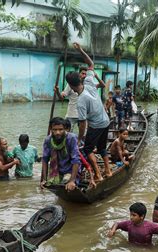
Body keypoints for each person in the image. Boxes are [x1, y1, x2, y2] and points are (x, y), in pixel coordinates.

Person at [65, 42, 112, 181]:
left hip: (97, 125)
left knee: (87, 149)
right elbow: (91, 64)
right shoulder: (90, 82)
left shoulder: (80, 101)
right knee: (102, 148)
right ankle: (108, 171)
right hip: (106, 121)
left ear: (71, 86)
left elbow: (82, 124)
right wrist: (80, 50)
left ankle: (98, 174)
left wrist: (79, 138)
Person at [40, 117, 80, 191]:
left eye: (60, 129)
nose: (57, 132)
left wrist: (72, 181)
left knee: (66, 184)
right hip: (57, 171)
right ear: (51, 129)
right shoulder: (48, 140)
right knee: (52, 184)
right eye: (55, 130)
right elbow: (45, 160)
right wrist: (44, 179)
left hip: (70, 170)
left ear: (65, 129)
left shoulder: (71, 138)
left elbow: (76, 160)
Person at [63, 118, 96, 188]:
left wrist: (92, 179)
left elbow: (85, 163)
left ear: (68, 129)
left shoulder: (74, 140)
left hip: (81, 156)